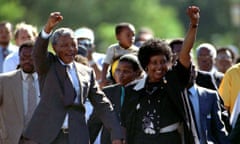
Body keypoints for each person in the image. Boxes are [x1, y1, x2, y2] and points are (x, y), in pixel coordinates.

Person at [22, 12, 124, 144]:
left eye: (73, 45)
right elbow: (38, 52)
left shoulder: (87, 72)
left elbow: (102, 104)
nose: (70, 49)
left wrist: (116, 132)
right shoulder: (47, 65)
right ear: (54, 47)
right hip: (46, 136)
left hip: (76, 136)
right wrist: (48, 28)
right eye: (64, 45)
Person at [121, 6, 200, 144]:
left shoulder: (175, 80)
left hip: (170, 139)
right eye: (154, 63)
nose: (159, 67)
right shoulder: (132, 90)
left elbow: (185, 53)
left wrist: (193, 25)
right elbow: (126, 123)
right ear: (146, 65)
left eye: (163, 62)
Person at [88, 54, 143, 144]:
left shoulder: (143, 93)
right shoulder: (107, 92)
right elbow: (94, 124)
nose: (120, 75)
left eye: (126, 71)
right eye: (118, 70)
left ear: (138, 73)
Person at [0, 40, 40, 144]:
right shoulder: (4, 81)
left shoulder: (48, 80)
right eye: (23, 58)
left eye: (30, 58)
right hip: (12, 139)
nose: (27, 61)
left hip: (41, 139)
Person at [187, 65, 229, 144]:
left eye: (192, 68)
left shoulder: (210, 95)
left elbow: (219, 128)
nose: (189, 72)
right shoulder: (172, 97)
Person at [100, 22, 138, 88]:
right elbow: (106, 64)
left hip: (133, 80)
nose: (132, 38)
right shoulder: (113, 49)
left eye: (133, 35)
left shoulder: (137, 51)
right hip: (114, 78)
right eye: (128, 35)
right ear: (118, 37)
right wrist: (103, 79)